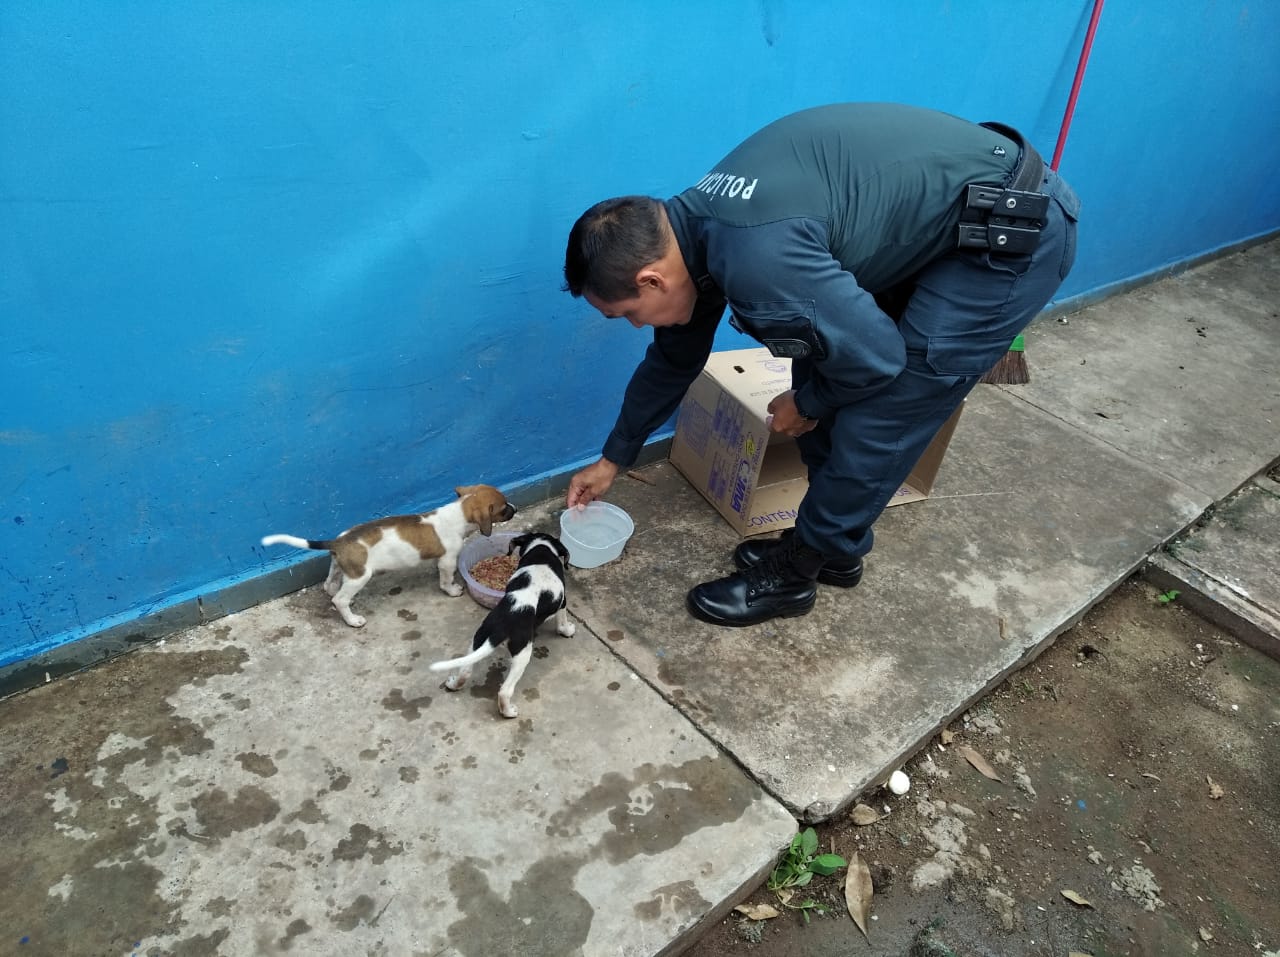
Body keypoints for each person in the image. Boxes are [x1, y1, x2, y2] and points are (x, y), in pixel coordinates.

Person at [562, 102, 1080, 627]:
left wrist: (806, 404)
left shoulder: (758, 256)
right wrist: (614, 458)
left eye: (626, 314)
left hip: (1008, 234)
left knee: (883, 409)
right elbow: (674, 360)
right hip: (947, 220)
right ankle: (834, 547)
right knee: (816, 358)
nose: (634, 326)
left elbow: (878, 360)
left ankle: (794, 575)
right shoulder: (693, 229)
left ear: (652, 280)